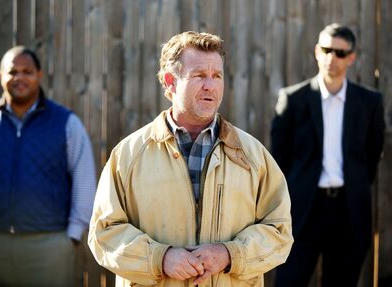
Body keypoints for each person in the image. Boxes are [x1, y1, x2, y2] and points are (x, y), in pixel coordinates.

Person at [88, 31, 293, 287]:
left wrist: (229, 254)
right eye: (199, 76)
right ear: (170, 82)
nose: (211, 85)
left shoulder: (252, 155)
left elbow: (280, 232)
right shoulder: (128, 155)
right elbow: (104, 233)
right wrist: (160, 259)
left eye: (216, 76)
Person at [0, 46, 97, 287]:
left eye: (27, 71)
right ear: (0, 76)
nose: (20, 77)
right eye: (12, 71)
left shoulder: (66, 123)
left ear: (39, 75)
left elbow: (84, 179)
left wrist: (73, 236)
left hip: (48, 247)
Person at [271, 23, 385, 287]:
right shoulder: (292, 99)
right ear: (316, 51)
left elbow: (371, 154)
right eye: (326, 50)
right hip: (303, 211)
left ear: (352, 58)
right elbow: (280, 158)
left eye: (340, 53)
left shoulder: (369, 103)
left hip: (348, 211)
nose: (331, 58)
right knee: (289, 281)